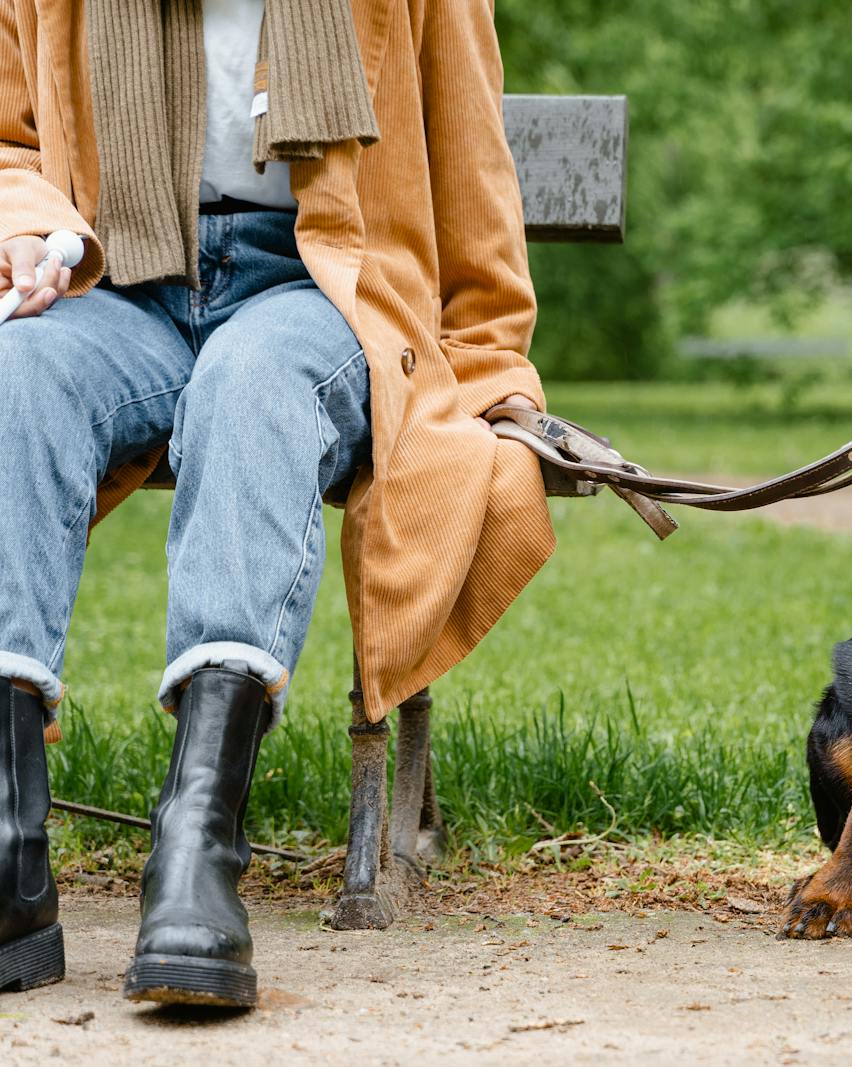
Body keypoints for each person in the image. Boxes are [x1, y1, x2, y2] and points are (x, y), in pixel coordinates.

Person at [0, 0, 553, 1008]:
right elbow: (8, 146)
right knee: (16, 373)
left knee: (252, 384)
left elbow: (471, 168)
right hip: (122, 278)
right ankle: (8, 844)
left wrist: (490, 363)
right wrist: (34, 227)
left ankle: (196, 849)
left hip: (318, 285)